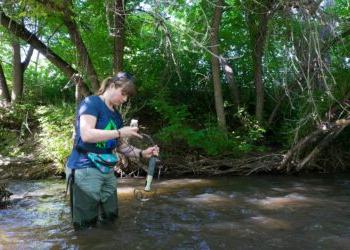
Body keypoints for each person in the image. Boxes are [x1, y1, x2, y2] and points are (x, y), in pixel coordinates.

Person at [66, 71, 159, 230]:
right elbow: (87, 134)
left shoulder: (116, 116)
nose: (124, 99)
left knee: (111, 218)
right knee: (85, 225)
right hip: (85, 167)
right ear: (111, 86)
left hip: (107, 171)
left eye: (127, 97)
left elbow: (121, 147)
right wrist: (120, 132)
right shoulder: (91, 103)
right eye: (123, 94)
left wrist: (143, 153)